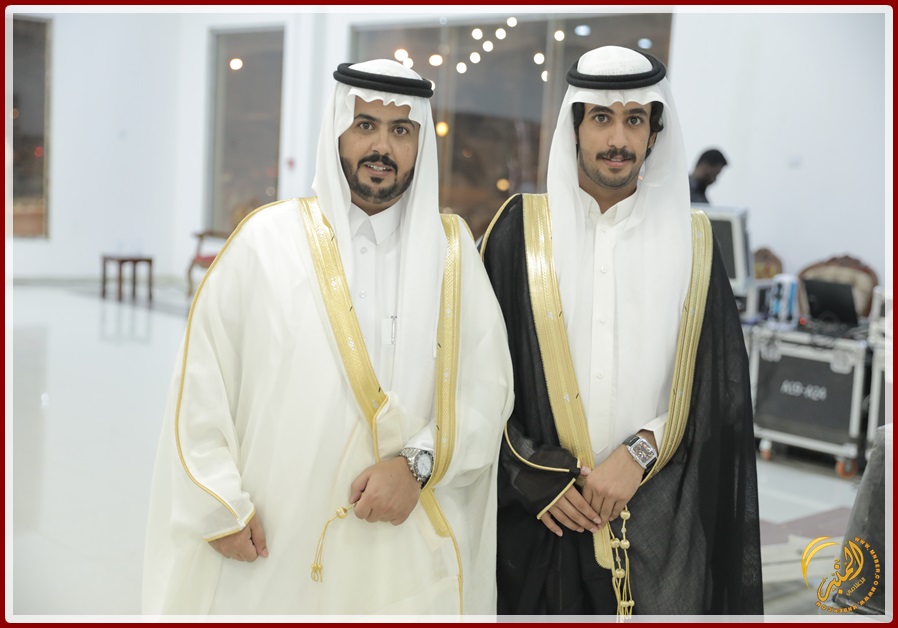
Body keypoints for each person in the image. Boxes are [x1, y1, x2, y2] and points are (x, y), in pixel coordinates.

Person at [142, 59, 514, 615]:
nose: (381, 147)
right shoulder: (266, 241)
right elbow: (201, 382)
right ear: (337, 131)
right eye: (365, 125)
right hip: (274, 538)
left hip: (402, 546)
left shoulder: (453, 251)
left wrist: (417, 465)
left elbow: (488, 389)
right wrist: (219, 505)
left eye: (401, 130)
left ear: (420, 144)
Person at [481, 46, 763, 616]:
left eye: (635, 120)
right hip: (539, 523)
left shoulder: (694, 245)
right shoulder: (520, 231)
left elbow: (719, 390)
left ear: (654, 134)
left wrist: (638, 452)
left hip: (658, 519)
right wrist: (536, 476)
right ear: (575, 128)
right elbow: (476, 377)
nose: (618, 139)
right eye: (601, 118)